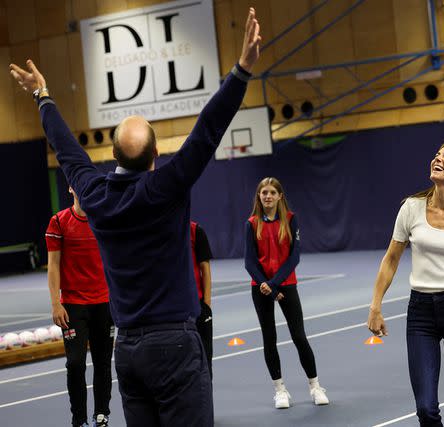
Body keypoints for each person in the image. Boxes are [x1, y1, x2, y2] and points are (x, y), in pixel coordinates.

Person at [10, 8, 261, 426]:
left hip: (127, 350)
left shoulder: (95, 195)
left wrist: (43, 96)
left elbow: (68, 150)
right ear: (155, 156)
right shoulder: (167, 187)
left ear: (112, 157)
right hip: (175, 345)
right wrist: (241, 70)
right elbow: (208, 129)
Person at [368, 141, 444, 427]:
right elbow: (391, 259)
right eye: (436, 154)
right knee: (425, 409)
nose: (438, 158)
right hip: (420, 313)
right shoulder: (411, 208)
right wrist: (375, 306)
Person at [244, 177, 329, 409]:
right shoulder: (251, 224)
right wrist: (266, 285)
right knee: (269, 339)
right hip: (260, 287)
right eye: (264, 193)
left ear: (280, 196)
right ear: (259, 197)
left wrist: (274, 284)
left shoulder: (291, 220)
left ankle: (315, 386)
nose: (268, 196)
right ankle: (280, 390)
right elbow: (250, 263)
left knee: (299, 336)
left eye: (272, 192)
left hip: (285, 284)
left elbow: (295, 257)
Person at [46, 187, 114, 427]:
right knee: (75, 363)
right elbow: (53, 265)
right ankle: (79, 420)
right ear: (71, 188)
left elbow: (115, 258)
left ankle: (102, 415)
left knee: (103, 362)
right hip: (73, 306)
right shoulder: (58, 222)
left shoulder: (104, 219)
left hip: (104, 305)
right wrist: (56, 303)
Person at [191, 220, 213, 377]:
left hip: (198, 307)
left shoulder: (196, 231)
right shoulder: (161, 230)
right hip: (172, 312)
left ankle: (206, 401)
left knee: (205, 361)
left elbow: (205, 269)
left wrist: (206, 305)